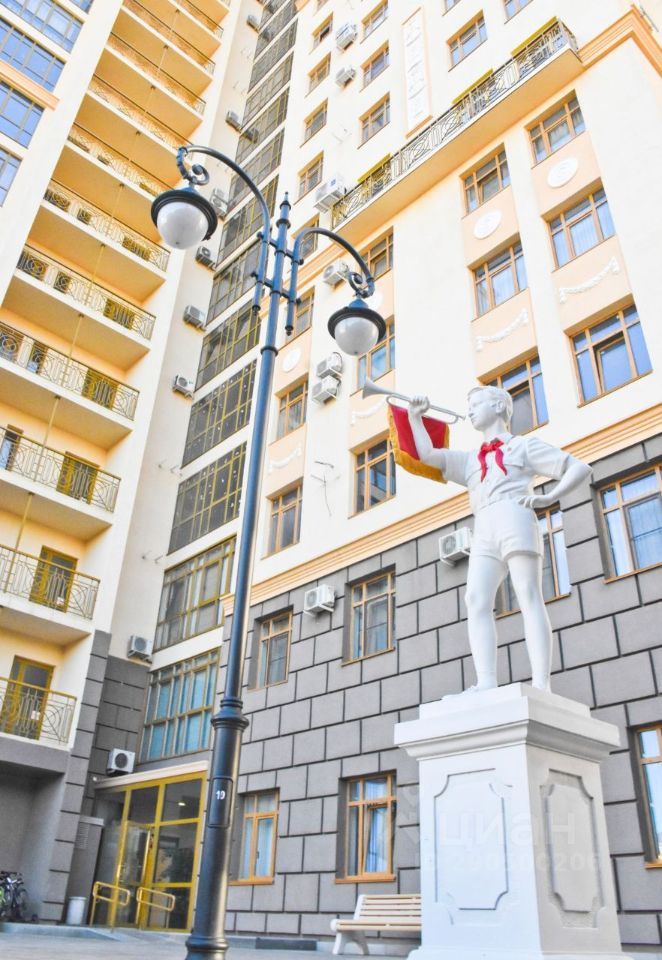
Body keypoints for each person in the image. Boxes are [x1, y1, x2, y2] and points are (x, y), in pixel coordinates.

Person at [408, 385, 592, 693]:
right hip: (483, 526)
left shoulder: (523, 446)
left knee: (528, 593)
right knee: (475, 599)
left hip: (514, 514)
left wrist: (550, 497)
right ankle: (486, 681)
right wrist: (416, 418)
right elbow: (426, 455)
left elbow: (578, 468)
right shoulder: (469, 459)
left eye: (476, 403)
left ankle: (541, 683)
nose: (469, 410)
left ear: (497, 407)